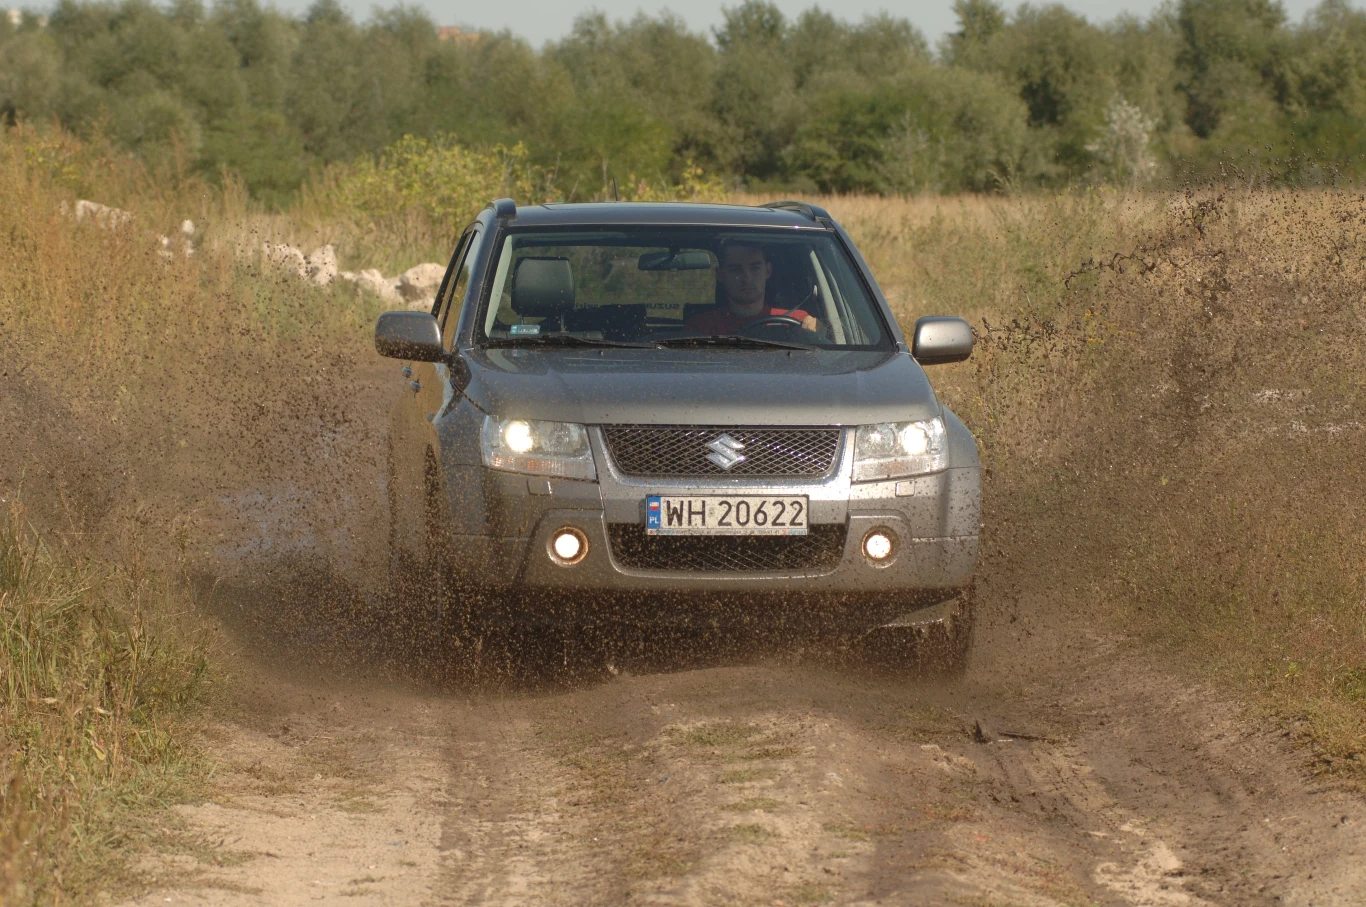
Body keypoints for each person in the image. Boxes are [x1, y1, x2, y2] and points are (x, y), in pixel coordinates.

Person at [686, 241, 819, 335]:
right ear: (721, 275)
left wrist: (813, 331)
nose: (747, 279)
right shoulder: (702, 328)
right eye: (735, 270)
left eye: (755, 268)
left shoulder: (797, 322)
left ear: (768, 271)